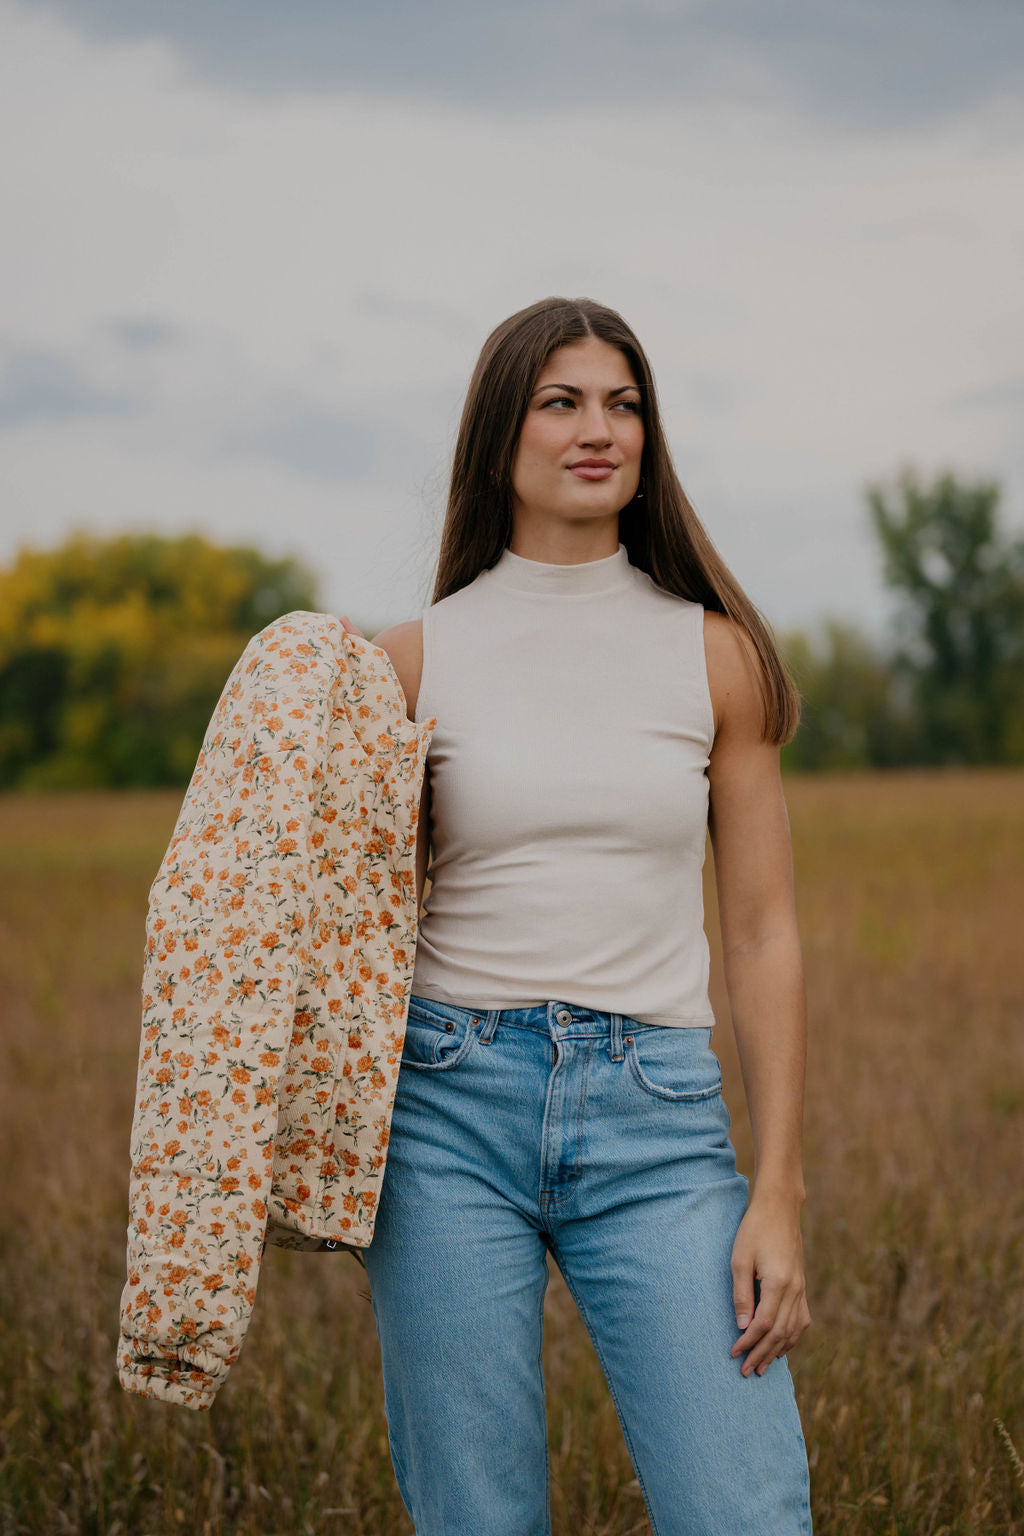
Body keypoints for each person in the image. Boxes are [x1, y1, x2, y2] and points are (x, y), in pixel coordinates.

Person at [344, 296, 813, 1535]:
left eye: (624, 403)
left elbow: (762, 934)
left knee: (745, 1510)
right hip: (444, 1112)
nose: (598, 428)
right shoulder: (408, 661)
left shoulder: (717, 659)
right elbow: (337, 930)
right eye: (562, 401)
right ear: (501, 431)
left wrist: (777, 1190)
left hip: (656, 1118)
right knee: (477, 1516)